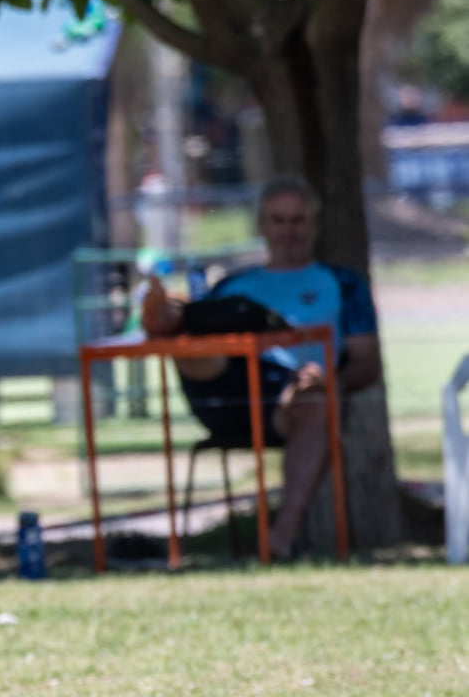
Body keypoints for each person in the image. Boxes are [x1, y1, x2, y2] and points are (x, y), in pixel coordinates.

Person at [141, 175, 381, 560]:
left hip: (295, 397)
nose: (288, 231)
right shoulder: (235, 285)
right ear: (262, 226)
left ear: (314, 226)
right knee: (196, 338)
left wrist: (331, 379)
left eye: (297, 220)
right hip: (226, 392)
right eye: (278, 220)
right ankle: (163, 317)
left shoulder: (341, 284)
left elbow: (367, 364)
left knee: (317, 403)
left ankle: (279, 539)